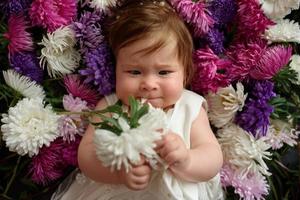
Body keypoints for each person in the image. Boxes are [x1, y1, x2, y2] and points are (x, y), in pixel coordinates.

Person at [52, 0, 224, 199]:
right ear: (115, 68)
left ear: (185, 73)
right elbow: (87, 157)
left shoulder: (190, 107)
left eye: (164, 72)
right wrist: (118, 173)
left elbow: (213, 156)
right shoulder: (110, 107)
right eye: (134, 71)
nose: (149, 84)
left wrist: (187, 160)